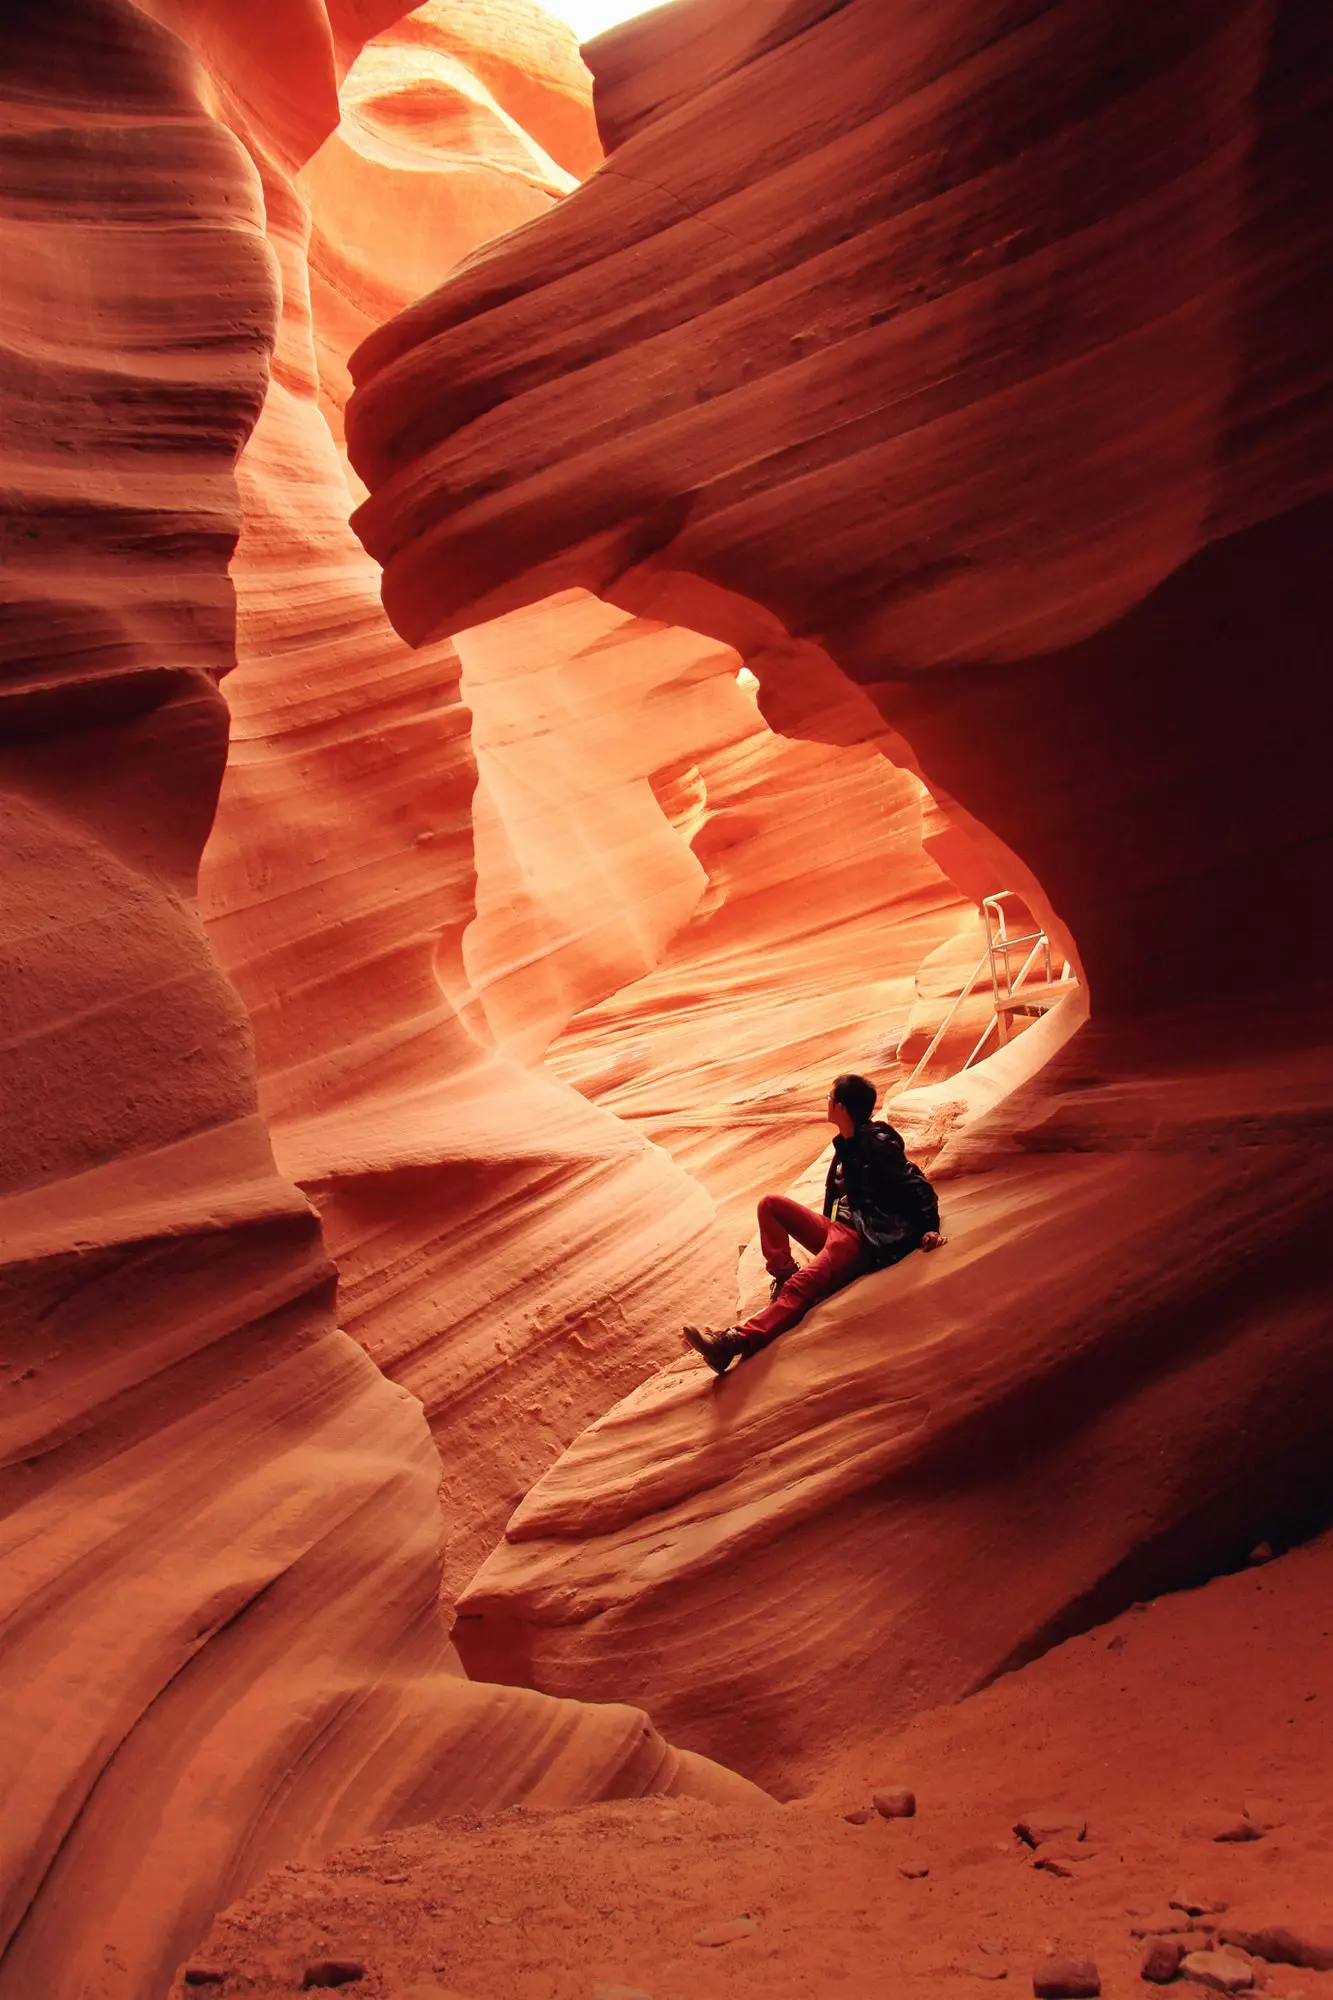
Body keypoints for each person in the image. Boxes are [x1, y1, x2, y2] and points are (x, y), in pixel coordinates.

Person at [683, 1072, 944, 1375]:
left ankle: (731, 1344)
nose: (827, 1101)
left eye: (830, 1097)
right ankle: (783, 1278)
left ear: (842, 1107)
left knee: (801, 1286)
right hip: (838, 1228)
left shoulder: (877, 1143)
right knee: (770, 1205)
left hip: (861, 1238)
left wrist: (930, 1227)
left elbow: (917, 1184)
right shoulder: (847, 1143)